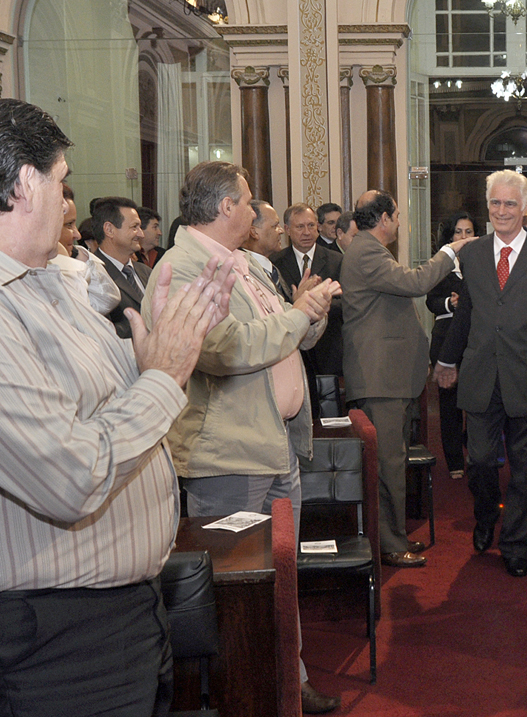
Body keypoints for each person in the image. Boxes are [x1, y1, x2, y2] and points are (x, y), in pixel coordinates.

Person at [0, 97, 236, 717]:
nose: (67, 203)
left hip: (121, 612)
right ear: (25, 184)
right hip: (60, 638)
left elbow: (102, 405)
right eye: (61, 182)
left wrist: (151, 365)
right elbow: (70, 477)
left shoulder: (48, 284)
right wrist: (164, 376)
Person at [142, 161, 341, 714]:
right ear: (226, 206)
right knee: (240, 591)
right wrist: (297, 317)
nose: (256, 211)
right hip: (228, 456)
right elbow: (226, 351)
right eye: (249, 201)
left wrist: (310, 312)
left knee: (279, 580)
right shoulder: (181, 269)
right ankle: (249, 695)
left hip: (275, 444)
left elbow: (284, 334)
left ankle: (287, 680)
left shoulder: (247, 262)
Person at [434, 169, 527, 579]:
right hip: (479, 379)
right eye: (496, 203)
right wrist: (446, 360)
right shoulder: (471, 255)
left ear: (526, 208)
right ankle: (485, 516)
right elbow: (466, 316)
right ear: (487, 205)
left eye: (511, 203)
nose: (502, 210)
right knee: (479, 466)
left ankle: (515, 543)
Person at [342, 191, 472, 568]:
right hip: (379, 380)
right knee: (387, 465)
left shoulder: (372, 251)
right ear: (382, 218)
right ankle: (388, 543)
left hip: (390, 378)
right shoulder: (366, 251)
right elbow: (415, 283)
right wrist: (451, 250)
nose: (399, 222)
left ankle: (395, 536)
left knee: (393, 463)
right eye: (396, 215)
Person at [272, 203, 345, 415]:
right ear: (287, 230)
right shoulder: (275, 262)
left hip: (328, 348)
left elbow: (348, 301)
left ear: (318, 228)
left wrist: (317, 306)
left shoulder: (336, 260)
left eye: (311, 226)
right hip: (291, 352)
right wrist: (298, 305)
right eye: (300, 227)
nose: (306, 232)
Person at [426, 211, 477, 479]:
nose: (464, 237)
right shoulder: (440, 264)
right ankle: (455, 460)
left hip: (475, 340)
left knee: (478, 398)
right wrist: (450, 304)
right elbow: (430, 301)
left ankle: (476, 446)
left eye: (469, 232)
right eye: (458, 232)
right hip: (446, 337)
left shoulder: (482, 261)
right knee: (450, 404)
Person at [49, 182, 121, 316]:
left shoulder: (75, 257)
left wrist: (78, 255)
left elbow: (108, 299)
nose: (77, 234)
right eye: (69, 225)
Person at [92, 196, 151, 338]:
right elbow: (100, 331)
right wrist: (148, 324)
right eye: (134, 227)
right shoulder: (93, 275)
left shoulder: (145, 272)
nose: (141, 234)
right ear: (109, 230)